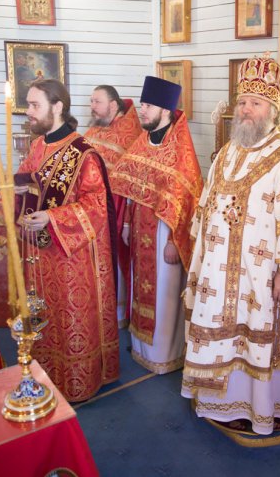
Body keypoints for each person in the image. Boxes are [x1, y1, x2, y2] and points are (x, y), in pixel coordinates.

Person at [181, 56, 280, 435]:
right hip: (219, 274)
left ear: (272, 111)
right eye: (242, 102)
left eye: (255, 103)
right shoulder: (227, 151)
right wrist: (200, 254)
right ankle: (218, 399)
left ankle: (262, 406)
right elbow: (206, 205)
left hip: (264, 275)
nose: (246, 109)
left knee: (260, 334)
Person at [14, 79, 119, 402]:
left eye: (35, 105)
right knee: (44, 316)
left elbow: (96, 206)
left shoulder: (83, 154)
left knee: (69, 319)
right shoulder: (38, 146)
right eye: (29, 105)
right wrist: (16, 192)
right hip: (39, 253)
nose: (29, 112)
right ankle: (45, 375)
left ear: (57, 106)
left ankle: (76, 381)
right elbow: (27, 183)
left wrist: (52, 217)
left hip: (71, 258)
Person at [109, 76, 202, 374]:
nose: (142, 110)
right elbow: (129, 186)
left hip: (164, 234)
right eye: (142, 104)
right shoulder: (143, 142)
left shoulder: (180, 151)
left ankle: (164, 355)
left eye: (148, 105)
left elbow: (186, 203)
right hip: (139, 231)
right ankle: (141, 348)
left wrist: (174, 240)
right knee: (140, 287)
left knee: (164, 293)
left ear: (165, 110)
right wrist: (126, 224)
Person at [84, 85, 143, 328]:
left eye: (97, 101)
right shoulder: (95, 128)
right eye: (91, 101)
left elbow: (130, 179)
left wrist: (125, 219)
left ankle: (117, 314)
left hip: (116, 208)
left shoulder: (130, 134)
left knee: (115, 261)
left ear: (113, 105)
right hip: (91, 205)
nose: (92, 106)